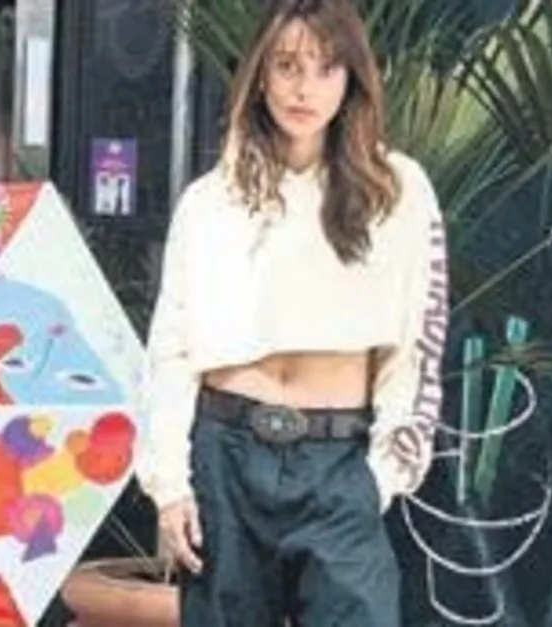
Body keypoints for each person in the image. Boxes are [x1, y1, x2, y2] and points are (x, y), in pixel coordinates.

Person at [136, 0, 450, 625]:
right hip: (226, 456)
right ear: (260, 75)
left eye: (326, 68)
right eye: (286, 65)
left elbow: (418, 344)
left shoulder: (397, 189)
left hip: (339, 463)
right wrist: (169, 486)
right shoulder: (210, 201)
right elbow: (171, 347)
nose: (304, 88)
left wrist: (382, 476)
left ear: (351, 80)